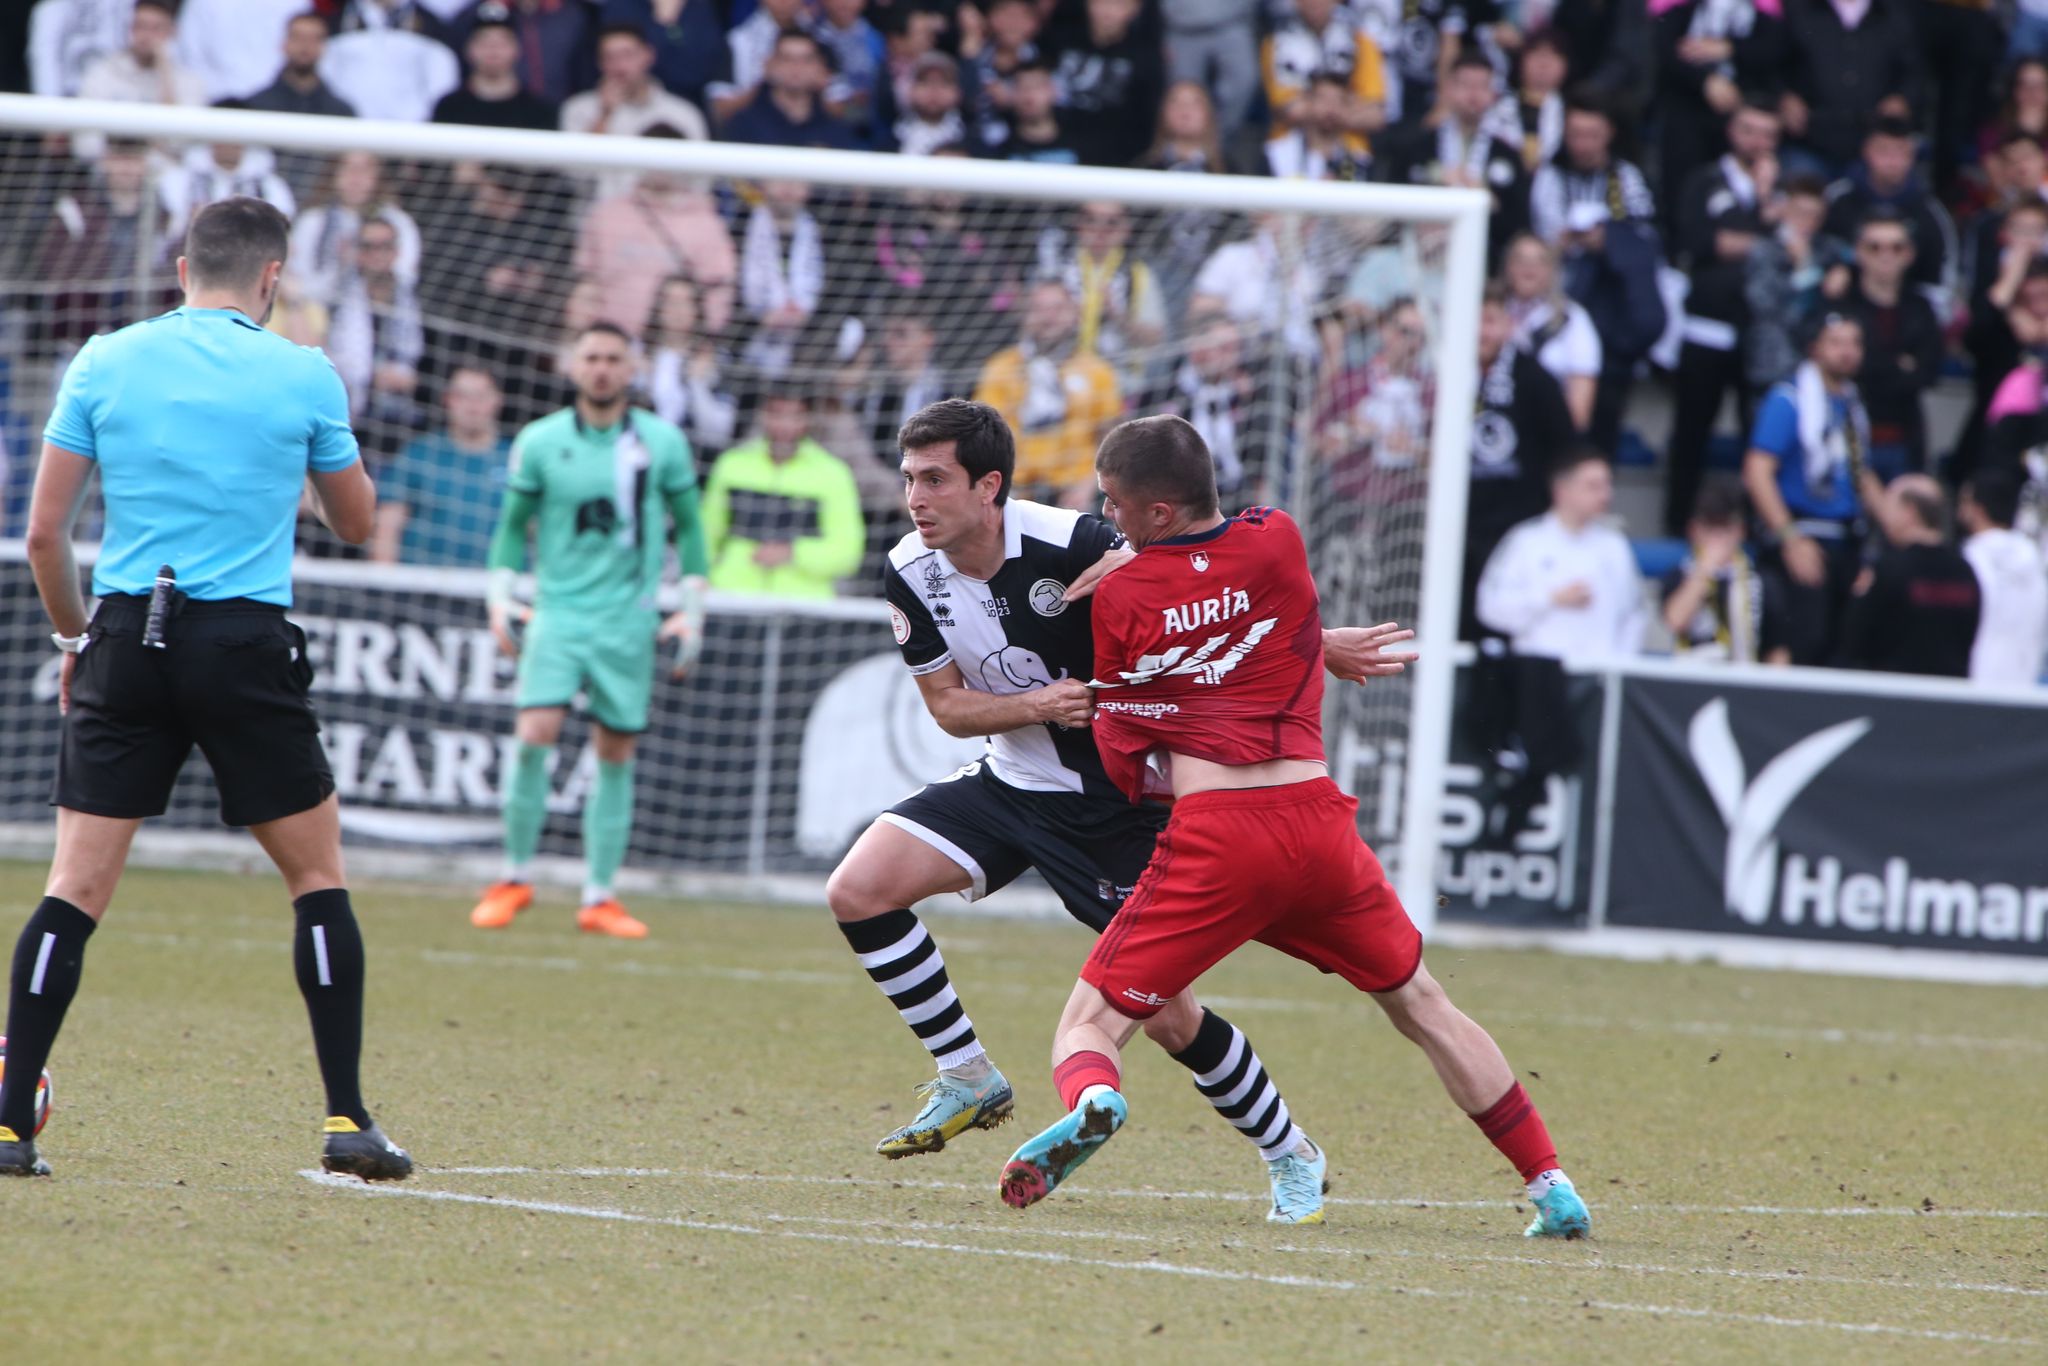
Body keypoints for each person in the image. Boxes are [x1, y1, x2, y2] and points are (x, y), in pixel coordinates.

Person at [995, 415, 1590, 1243]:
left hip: (1221, 837)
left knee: (1092, 1022)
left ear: (1158, 513)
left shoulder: (1122, 593)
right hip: (1319, 827)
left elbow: (1128, 760)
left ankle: (1096, 1100)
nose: (1109, 517)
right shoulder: (1279, 539)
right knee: (1423, 1003)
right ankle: (1551, 1183)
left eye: (1116, 503)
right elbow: (1271, 617)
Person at [826, 398, 1397, 1222]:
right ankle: (968, 1077)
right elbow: (947, 708)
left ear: (989, 486)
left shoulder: (1081, 543)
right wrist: (1040, 708)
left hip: (1118, 807)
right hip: (1008, 783)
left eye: (936, 480)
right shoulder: (911, 568)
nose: (916, 498)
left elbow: (1217, 591)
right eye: (911, 478)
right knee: (858, 889)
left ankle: (1290, 1151)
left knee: (1168, 1016)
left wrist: (1317, 638)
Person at [2, 196, 409, 1182]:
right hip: (241, 640)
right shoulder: (303, 372)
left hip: (125, 637)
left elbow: (46, 535)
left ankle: (11, 1126)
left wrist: (72, 636)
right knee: (316, 879)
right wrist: (294, 456)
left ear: (183, 265)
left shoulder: (103, 359)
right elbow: (355, 521)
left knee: (75, 887)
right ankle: (346, 1118)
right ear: (273, 279)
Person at [469, 323, 710, 940]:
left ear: (632, 368)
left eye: (613, 358)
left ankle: (599, 895)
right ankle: (514, 877)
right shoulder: (540, 441)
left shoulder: (663, 443)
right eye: (592, 358)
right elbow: (511, 526)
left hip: (628, 619)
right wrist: (500, 596)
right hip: (559, 612)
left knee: (615, 752)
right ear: (573, 367)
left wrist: (691, 607)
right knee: (533, 734)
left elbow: (692, 527)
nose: (602, 368)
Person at [1742, 312, 1886, 666]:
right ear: (1815, 349)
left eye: (1855, 343)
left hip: (1848, 539)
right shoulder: (1789, 400)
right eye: (1836, 343)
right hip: (1802, 535)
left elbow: (1860, 474)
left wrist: (1899, 530)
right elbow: (1757, 471)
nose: (1847, 352)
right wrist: (1789, 538)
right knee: (1807, 641)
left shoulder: (1853, 405)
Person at [1667, 96, 1783, 535]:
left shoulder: (1783, 187)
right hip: (1706, 328)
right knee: (1692, 431)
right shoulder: (1704, 180)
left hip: (1762, 332)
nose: (1757, 142)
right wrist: (1763, 229)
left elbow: (1792, 248)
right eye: (1749, 130)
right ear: (1732, 132)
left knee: (1758, 435)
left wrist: (1764, 200)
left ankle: (1753, 526)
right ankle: (1678, 523)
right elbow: (1697, 242)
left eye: (1768, 133)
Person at [1464, 284, 1575, 640]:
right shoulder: (1445, 373)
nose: (1482, 331)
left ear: (1509, 325)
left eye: (1491, 320)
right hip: (1459, 524)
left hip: (1518, 523)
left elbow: (1565, 445)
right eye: (1474, 321)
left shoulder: (1534, 378)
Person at [973, 278, 1122, 509]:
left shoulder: (1097, 370)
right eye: (1038, 309)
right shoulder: (1001, 367)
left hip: (1080, 493)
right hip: (1015, 494)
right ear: (1024, 315)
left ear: (1075, 314)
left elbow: (1112, 439)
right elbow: (984, 437)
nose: (1048, 317)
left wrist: (1088, 486)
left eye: (1057, 308)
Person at [700, 391, 865, 599]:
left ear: (808, 419)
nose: (784, 425)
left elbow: (847, 553)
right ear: (762, 415)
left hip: (803, 605)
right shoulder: (732, 465)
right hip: (732, 597)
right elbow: (706, 535)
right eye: (776, 414)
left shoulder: (833, 474)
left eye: (795, 416)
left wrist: (793, 554)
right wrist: (704, 579)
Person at [1827, 210, 1943, 480]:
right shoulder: (1843, 305)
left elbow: (1928, 371)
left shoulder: (1921, 308)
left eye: (1896, 247)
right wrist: (1899, 364)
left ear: (1909, 254)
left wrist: (1872, 362)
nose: (1886, 254)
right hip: (1847, 433)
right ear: (1858, 252)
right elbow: (1842, 367)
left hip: (1906, 436)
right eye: (1874, 247)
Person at [371, 363, 512, 567]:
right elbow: (387, 526)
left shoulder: (517, 458)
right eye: (462, 396)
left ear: (498, 400)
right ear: (447, 400)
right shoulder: (419, 453)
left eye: (481, 396)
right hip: (422, 586)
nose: (472, 406)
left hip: (496, 590)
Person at [1840, 475, 1981, 676]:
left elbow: (1854, 641)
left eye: (1890, 505)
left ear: (1909, 512)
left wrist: (1859, 596)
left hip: (1896, 696)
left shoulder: (1887, 569)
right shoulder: (1965, 571)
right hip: (1950, 695)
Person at [1820, 116, 1957, 312]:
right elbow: (1815, 252)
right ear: (1866, 151)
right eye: (1884, 151)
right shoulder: (1837, 200)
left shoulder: (1930, 212)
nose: (1893, 161)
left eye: (1901, 152)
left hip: (1907, 315)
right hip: (1844, 310)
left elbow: (1940, 282)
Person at [1663, 478, 1792, 664]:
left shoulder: (1763, 581)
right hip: (1691, 681)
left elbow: (1777, 649)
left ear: (1740, 531)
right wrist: (1705, 569)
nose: (1718, 537)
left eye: (1725, 528)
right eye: (1710, 528)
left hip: (1745, 682)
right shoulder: (1680, 575)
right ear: (1694, 530)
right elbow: (1675, 620)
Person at [1501, 232, 1601, 434]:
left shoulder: (1573, 319)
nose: (1529, 268)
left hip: (1544, 431)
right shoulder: (1489, 313)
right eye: (1520, 259)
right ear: (1507, 267)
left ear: (1552, 270)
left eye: (1540, 261)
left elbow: (1580, 401)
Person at [1958, 467, 2048, 687]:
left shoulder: (1965, 561)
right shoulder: (2037, 561)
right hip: (2028, 688)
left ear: (1976, 509)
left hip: (1974, 687)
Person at [1046, 0, 1162, 168]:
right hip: (1056, 153)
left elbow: (1147, 116)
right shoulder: (1059, 41)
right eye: (1101, 3)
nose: (1107, 12)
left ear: (1134, 10)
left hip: (1117, 161)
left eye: (1117, 5)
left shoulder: (1146, 57)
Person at [1259, 0, 1389, 139]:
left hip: (1349, 149)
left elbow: (1376, 115)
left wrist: (1316, 106)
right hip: (1291, 148)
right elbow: (1290, 110)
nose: (1314, 3)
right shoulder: (1277, 43)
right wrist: (1346, 104)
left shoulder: (1359, 40)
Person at [560, 22, 710, 140]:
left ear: (648, 55)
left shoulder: (683, 113)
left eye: (627, 55)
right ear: (599, 63)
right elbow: (575, 173)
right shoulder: (578, 109)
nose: (619, 66)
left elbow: (701, 175)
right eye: (609, 57)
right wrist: (604, 115)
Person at [320, 0, 460, 124]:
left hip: (413, 138)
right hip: (346, 135)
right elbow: (323, 76)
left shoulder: (431, 25)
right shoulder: (337, 20)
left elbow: (442, 87)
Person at [720, 28, 859, 150]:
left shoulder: (834, 130)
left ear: (819, 68)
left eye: (806, 60)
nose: (796, 67)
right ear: (769, 65)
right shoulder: (742, 125)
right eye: (787, 59)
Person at [433, 8, 562, 130]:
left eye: (502, 42)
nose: (493, 50)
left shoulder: (540, 111)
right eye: (484, 42)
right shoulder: (449, 108)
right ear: (469, 49)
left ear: (517, 48)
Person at [77, 0, 208, 111]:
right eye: (140, 26)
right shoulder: (102, 74)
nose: (146, 36)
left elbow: (179, 135)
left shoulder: (189, 82)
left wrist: (164, 70)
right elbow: (87, 134)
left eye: (156, 28)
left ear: (172, 31)